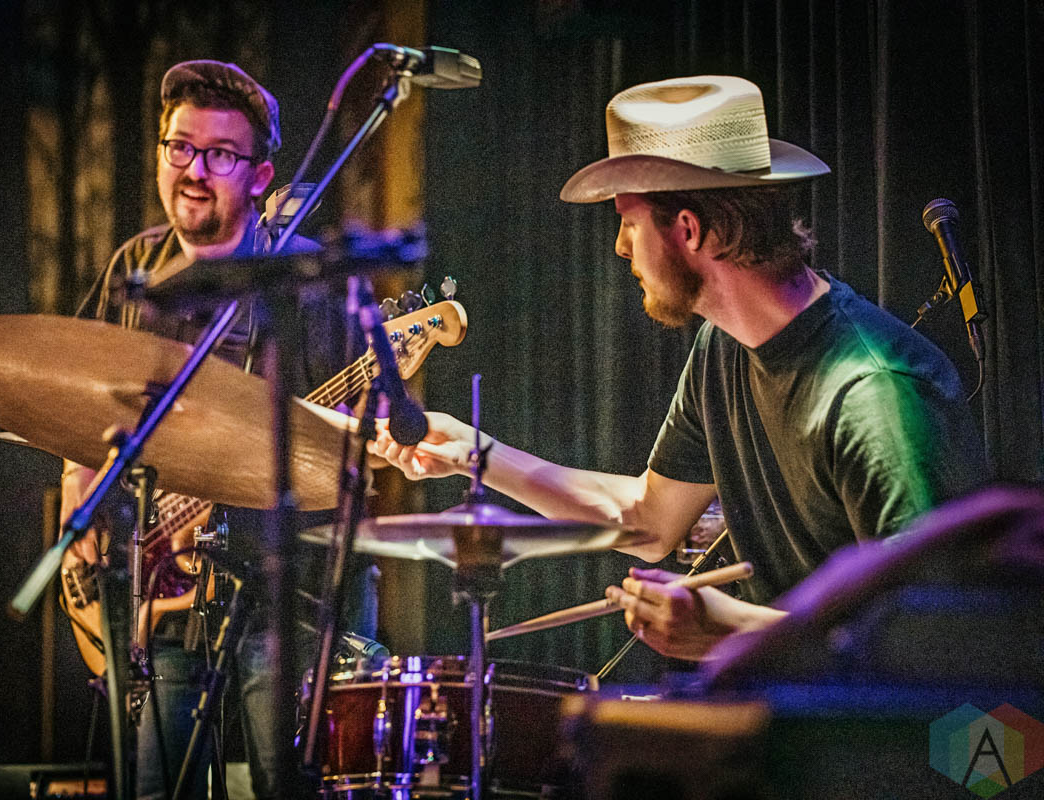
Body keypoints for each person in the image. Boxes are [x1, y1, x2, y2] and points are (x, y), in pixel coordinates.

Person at [368, 75, 988, 662]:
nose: (620, 247)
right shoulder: (724, 346)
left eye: (629, 222)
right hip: (785, 709)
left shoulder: (876, 394)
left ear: (689, 230)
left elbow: (933, 639)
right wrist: (475, 453)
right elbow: (649, 521)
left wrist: (730, 629)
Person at [60, 60, 374, 800]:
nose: (194, 170)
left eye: (220, 154)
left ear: (261, 176)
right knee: (153, 786)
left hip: (286, 601)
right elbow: (74, 407)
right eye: (179, 146)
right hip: (160, 598)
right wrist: (80, 503)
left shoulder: (308, 285)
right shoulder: (136, 266)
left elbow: (356, 447)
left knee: (287, 785)